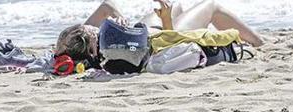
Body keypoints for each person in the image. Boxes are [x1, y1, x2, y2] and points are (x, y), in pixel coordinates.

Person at [55, 0, 263, 66]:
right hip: (160, 34)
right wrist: (166, 20)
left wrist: (122, 23)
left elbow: (106, 6)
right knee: (211, 5)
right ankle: (258, 42)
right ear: (91, 43)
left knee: (179, 5)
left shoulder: (81, 42)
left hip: (146, 29)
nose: (95, 27)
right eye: (92, 30)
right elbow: (170, 45)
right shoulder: (107, 47)